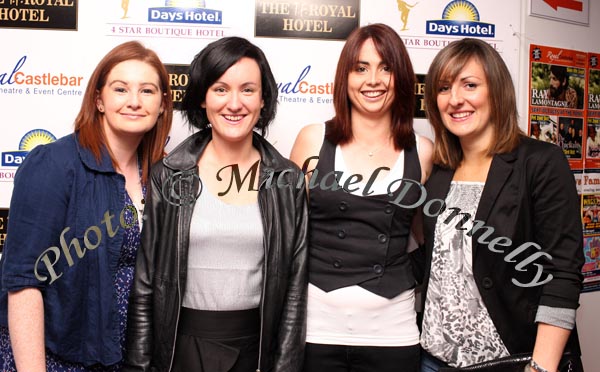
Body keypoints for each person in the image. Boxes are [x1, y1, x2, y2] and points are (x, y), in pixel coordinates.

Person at [123, 37, 308, 372]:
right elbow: (146, 284)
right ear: (203, 99)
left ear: (263, 100)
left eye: (248, 90)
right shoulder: (170, 175)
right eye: (220, 89)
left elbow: (295, 291)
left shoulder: (287, 180)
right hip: (182, 348)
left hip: (257, 350)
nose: (234, 103)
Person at [0, 41, 173, 371]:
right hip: (57, 357)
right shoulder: (53, 165)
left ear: (163, 105)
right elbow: (23, 282)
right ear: (99, 100)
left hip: (128, 358)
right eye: (120, 89)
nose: (134, 102)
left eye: (147, 91)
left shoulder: (160, 174)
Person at [420, 38, 584, 372]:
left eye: (470, 85)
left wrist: (540, 367)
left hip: (513, 360)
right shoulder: (437, 171)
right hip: (432, 360)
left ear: (496, 90)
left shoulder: (540, 163)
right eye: (444, 88)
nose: (455, 100)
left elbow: (562, 273)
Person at [290, 23, 433, 372]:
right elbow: (286, 233)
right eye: (361, 68)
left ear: (401, 78)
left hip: (393, 334)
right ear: (345, 77)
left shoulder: (424, 152)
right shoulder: (312, 140)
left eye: (386, 68)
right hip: (315, 331)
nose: (374, 80)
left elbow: (424, 236)